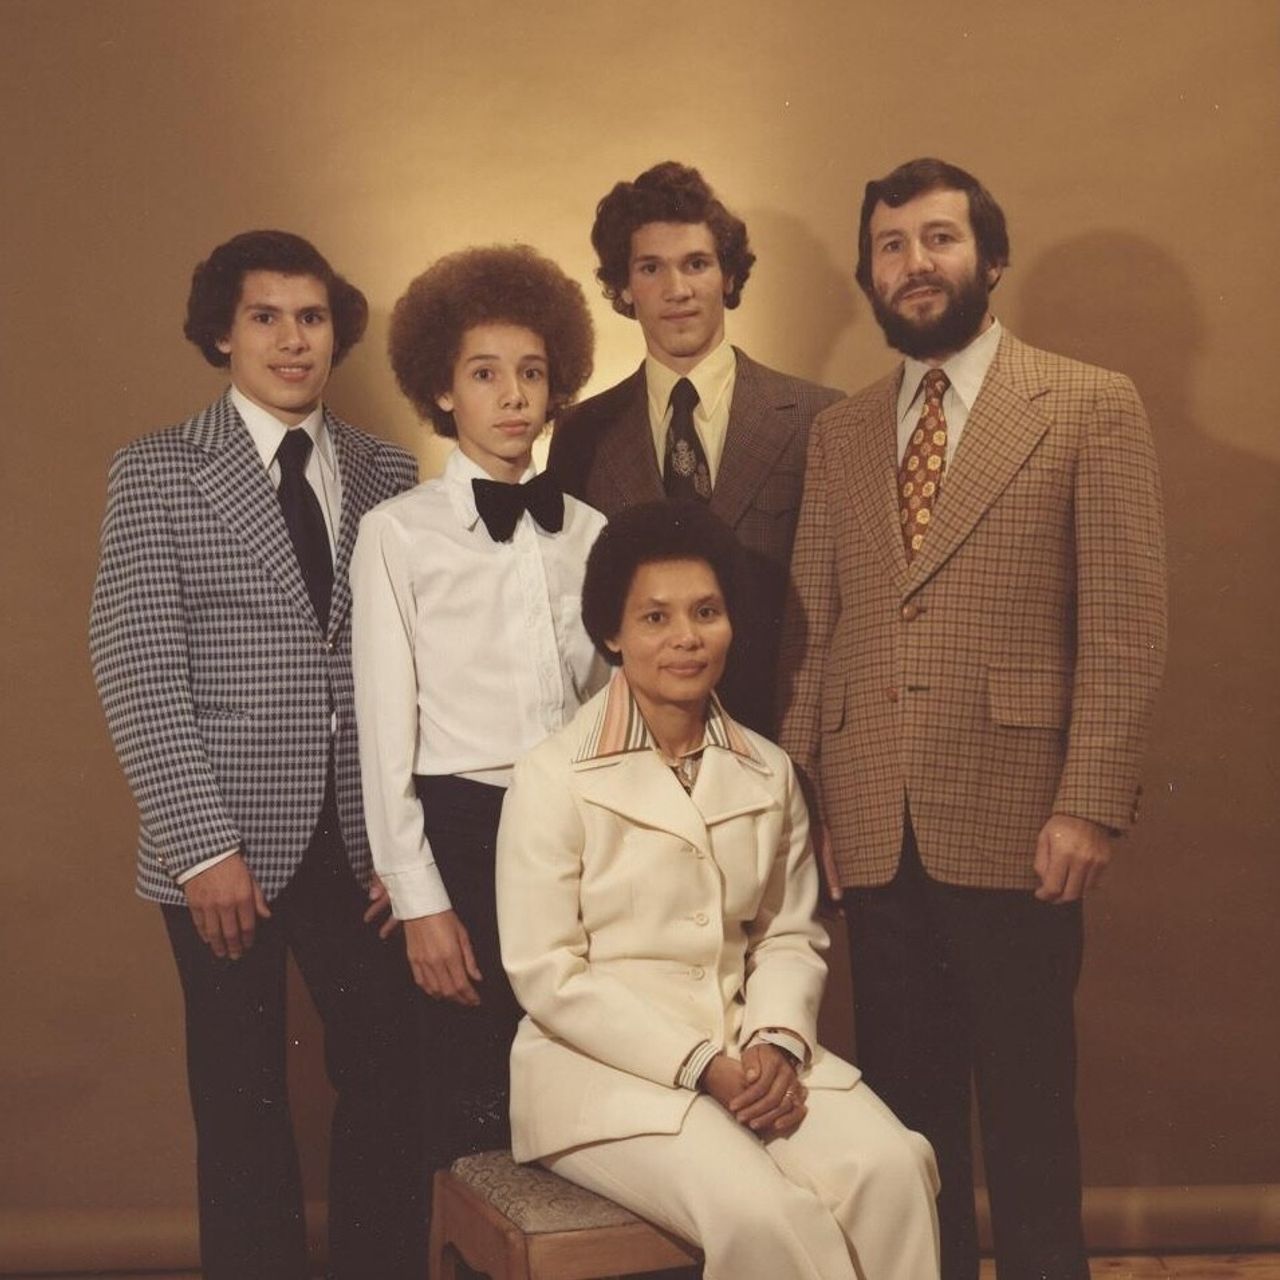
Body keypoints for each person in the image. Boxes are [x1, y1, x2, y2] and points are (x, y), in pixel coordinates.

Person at [777, 158, 1168, 1280]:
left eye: (938, 238)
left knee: (1029, 1115)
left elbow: (1124, 624)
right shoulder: (841, 431)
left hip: (1018, 820)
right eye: (890, 246)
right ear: (869, 274)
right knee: (907, 1131)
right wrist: (811, 807)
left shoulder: (1087, 402)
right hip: (872, 820)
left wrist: (1087, 804)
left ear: (988, 259)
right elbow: (816, 625)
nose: (914, 263)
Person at [89, 230, 425, 1280]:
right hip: (222, 847)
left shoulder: (387, 472)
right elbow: (137, 666)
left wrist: (398, 846)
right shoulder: (158, 471)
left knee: (390, 1083)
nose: (292, 339)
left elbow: (404, 675)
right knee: (240, 1101)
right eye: (266, 317)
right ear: (221, 335)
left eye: (312, 317)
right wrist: (200, 847)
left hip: (360, 845)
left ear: (338, 331)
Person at [496, 501, 940, 1280]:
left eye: (706, 613)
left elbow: (789, 935)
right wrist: (701, 1063)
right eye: (656, 618)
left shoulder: (768, 772)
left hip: (749, 1048)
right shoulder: (549, 775)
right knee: (764, 1214)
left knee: (894, 1169)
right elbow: (546, 973)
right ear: (612, 633)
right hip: (600, 1078)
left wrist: (774, 1040)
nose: (686, 639)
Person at [351, 245, 607, 1177]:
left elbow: (607, 706)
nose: (513, 396)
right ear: (443, 392)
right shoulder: (399, 534)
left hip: (578, 833)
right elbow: (386, 733)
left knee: (579, 1083)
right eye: (486, 374)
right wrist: (421, 900)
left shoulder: (591, 533)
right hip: (464, 828)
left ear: (557, 386)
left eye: (532, 373)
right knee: (472, 1101)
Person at [547, 161, 843, 736]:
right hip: (635, 747)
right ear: (625, 288)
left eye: (697, 264)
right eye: (651, 268)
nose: (676, 290)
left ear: (728, 277)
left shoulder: (818, 417)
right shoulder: (582, 431)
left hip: (779, 737)